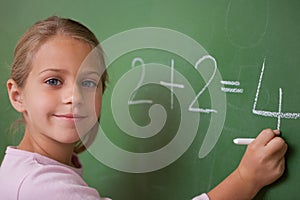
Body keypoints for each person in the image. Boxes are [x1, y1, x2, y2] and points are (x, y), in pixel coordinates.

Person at [0, 16, 287, 200]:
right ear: (17, 95)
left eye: (89, 82)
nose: (74, 96)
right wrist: (246, 179)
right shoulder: (41, 187)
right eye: (53, 81)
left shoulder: (30, 170)